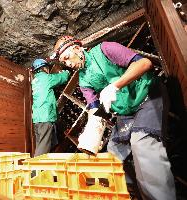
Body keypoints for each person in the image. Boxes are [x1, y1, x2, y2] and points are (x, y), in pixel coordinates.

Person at [51, 36, 176, 200]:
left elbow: (145, 64)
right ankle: (136, 194)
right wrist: (89, 141)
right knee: (113, 156)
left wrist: (115, 86)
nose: (68, 64)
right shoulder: (83, 82)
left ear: (76, 48)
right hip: (126, 113)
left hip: (146, 95)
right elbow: (95, 111)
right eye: (64, 62)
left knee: (142, 144)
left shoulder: (105, 49)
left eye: (67, 58)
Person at [31, 58, 70, 157]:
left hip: (37, 119)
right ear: (44, 68)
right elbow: (62, 78)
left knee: (42, 144)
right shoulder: (45, 78)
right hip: (45, 117)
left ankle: (44, 168)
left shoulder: (35, 81)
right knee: (43, 148)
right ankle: (35, 171)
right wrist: (66, 72)